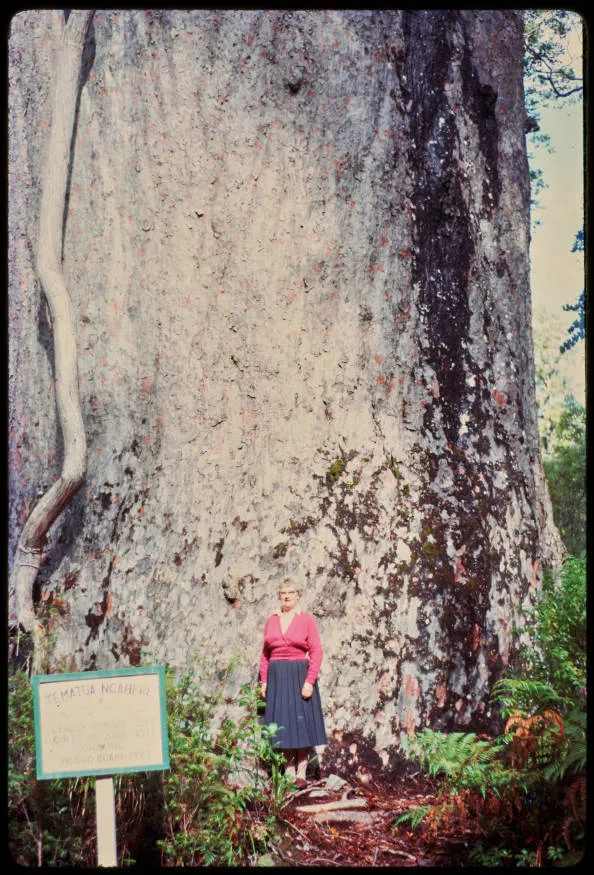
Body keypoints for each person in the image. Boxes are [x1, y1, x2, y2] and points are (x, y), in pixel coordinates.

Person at [259, 579, 326, 787]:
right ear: (279, 596)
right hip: (278, 676)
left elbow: (316, 651)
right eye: (282, 592)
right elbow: (265, 654)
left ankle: (302, 773)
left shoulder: (306, 619)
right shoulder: (272, 620)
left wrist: (309, 681)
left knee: (301, 722)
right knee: (284, 723)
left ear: (298, 595)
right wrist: (264, 681)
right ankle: (288, 771)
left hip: (299, 674)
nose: (286, 596)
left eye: (291, 592)